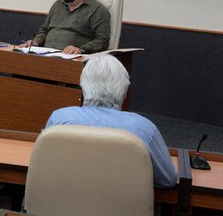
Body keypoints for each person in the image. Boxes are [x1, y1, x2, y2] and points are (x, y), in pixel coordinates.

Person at [44, 54, 178, 188]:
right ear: (125, 92)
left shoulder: (59, 120)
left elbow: (44, 165)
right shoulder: (144, 130)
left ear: (83, 88)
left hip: (59, 206)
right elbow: (168, 179)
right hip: (123, 207)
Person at [19, 0, 110, 54]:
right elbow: (44, 30)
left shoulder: (97, 10)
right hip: (45, 53)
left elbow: (102, 41)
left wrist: (81, 49)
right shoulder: (58, 4)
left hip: (72, 57)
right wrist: (35, 42)